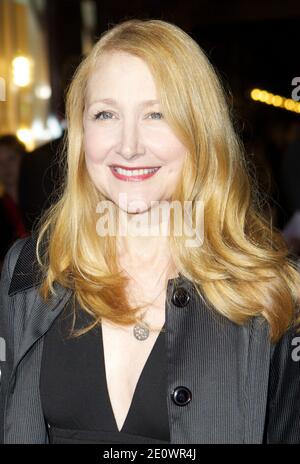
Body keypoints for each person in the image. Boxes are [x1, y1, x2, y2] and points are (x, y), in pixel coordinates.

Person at [1, 18, 300, 444]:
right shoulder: (30, 272)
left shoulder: (270, 295)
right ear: (82, 134)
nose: (128, 145)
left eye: (155, 114)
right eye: (106, 114)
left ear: (200, 131)